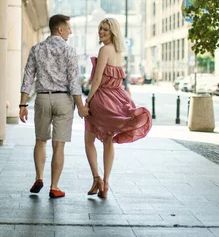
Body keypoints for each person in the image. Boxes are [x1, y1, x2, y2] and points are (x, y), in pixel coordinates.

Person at [19, 14, 89, 199]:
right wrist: (80, 106)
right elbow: (74, 82)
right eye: (68, 28)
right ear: (60, 29)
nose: (70, 31)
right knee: (59, 146)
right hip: (63, 100)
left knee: (40, 140)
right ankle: (55, 187)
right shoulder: (69, 51)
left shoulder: (36, 49)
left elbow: (28, 78)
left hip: (42, 99)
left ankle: (38, 177)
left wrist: (22, 104)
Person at [84, 17, 152, 199]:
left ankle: (97, 178)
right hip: (115, 97)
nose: (101, 32)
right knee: (107, 140)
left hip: (101, 98)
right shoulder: (118, 51)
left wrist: (88, 100)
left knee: (89, 141)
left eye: (105, 29)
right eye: (100, 28)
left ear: (113, 32)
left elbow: (97, 80)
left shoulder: (104, 50)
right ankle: (105, 183)